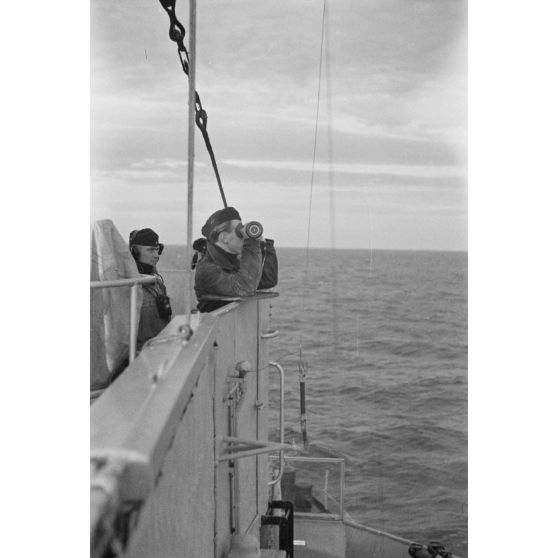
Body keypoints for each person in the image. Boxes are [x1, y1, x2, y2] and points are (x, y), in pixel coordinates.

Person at [194, 207, 278, 312]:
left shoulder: (233, 262)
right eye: (239, 232)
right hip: (212, 325)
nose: (243, 236)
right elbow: (245, 289)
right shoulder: (207, 269)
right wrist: (251, 243)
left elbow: (267, 281)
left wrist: (262, 244)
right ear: (224, 237)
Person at [129, 228, 172, 349]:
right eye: (151, 250)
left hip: (158, 346)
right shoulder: (129, 286)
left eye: (158, 250)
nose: (156, 255)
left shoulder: (158, 284)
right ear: (134, 253)